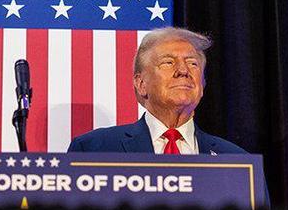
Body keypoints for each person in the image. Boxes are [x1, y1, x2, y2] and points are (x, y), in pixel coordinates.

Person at [67, 27, 245, 155]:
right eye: (168, 62)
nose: (183, 70)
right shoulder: (94, 149)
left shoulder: (236, 160)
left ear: (202, 85)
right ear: (141, 83)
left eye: (193, 63)